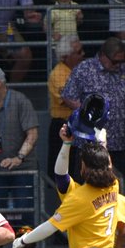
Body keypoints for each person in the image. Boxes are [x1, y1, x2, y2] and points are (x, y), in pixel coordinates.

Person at [61, 37, 125, 181]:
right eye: (114, 62)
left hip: (119, 142)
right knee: (87, 185)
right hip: (90, 145)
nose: (118, 65)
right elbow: (68, 96)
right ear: (102, 56)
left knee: (118, 186)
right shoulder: (84, 69)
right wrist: (87, 112)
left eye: (121, 61)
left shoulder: (123, 70)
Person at [0, 65, 40, 211]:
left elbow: (33, 134)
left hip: (22, 169)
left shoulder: (20, 101)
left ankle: (25, 234)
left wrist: (19, 157)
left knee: (25, 211)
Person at [47, 35, 86, 182]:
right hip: (63, 125)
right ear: (65, 57)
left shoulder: (82, 69)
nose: (83, 54)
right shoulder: (58, 74)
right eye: (79, 52)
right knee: (63, 172)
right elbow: (70, 100)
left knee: (80, 170)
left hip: (81, 125)